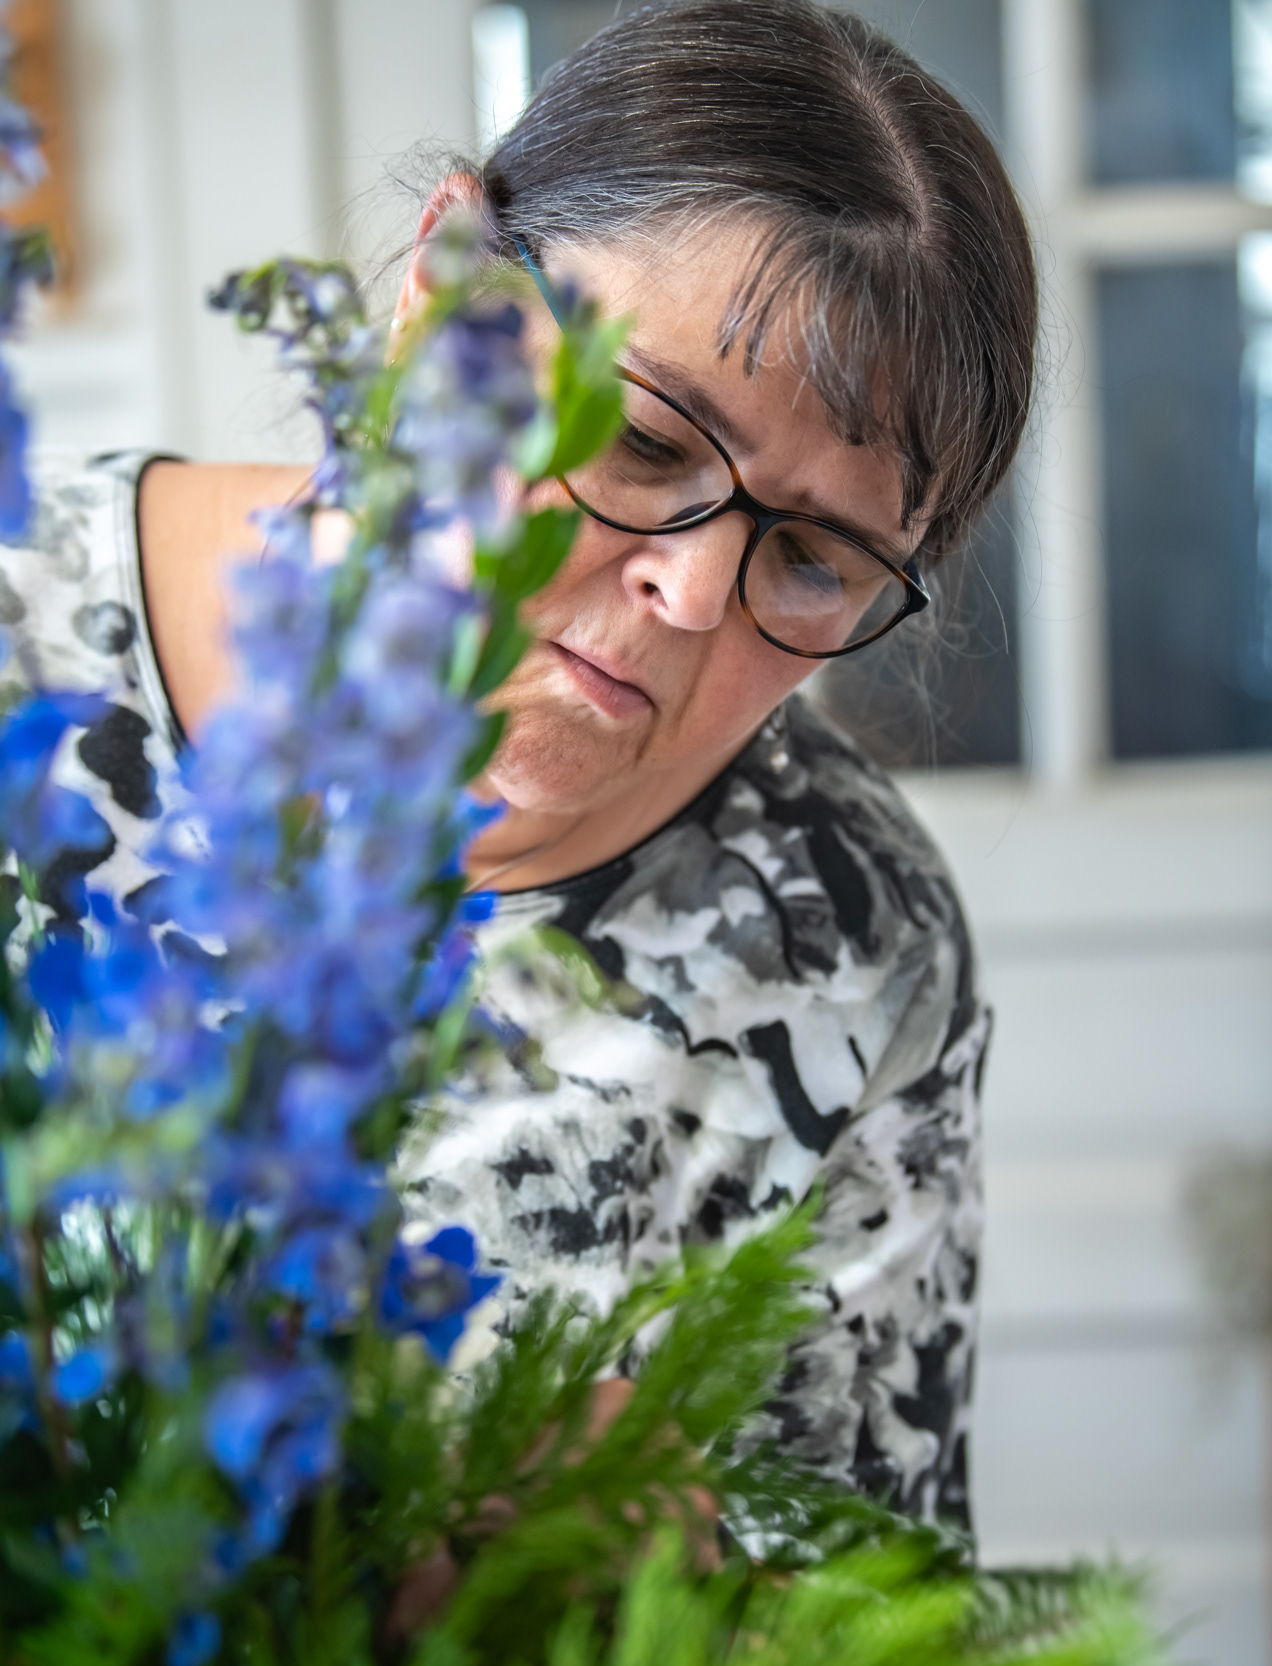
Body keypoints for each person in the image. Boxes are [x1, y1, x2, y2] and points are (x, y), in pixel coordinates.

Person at [0, 0, 1035, 1528]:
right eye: (644, 443)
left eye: (814, 557)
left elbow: (886, 1636)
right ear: (444, 293)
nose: (693, 594)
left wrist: (694, 1591)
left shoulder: (841, 946)